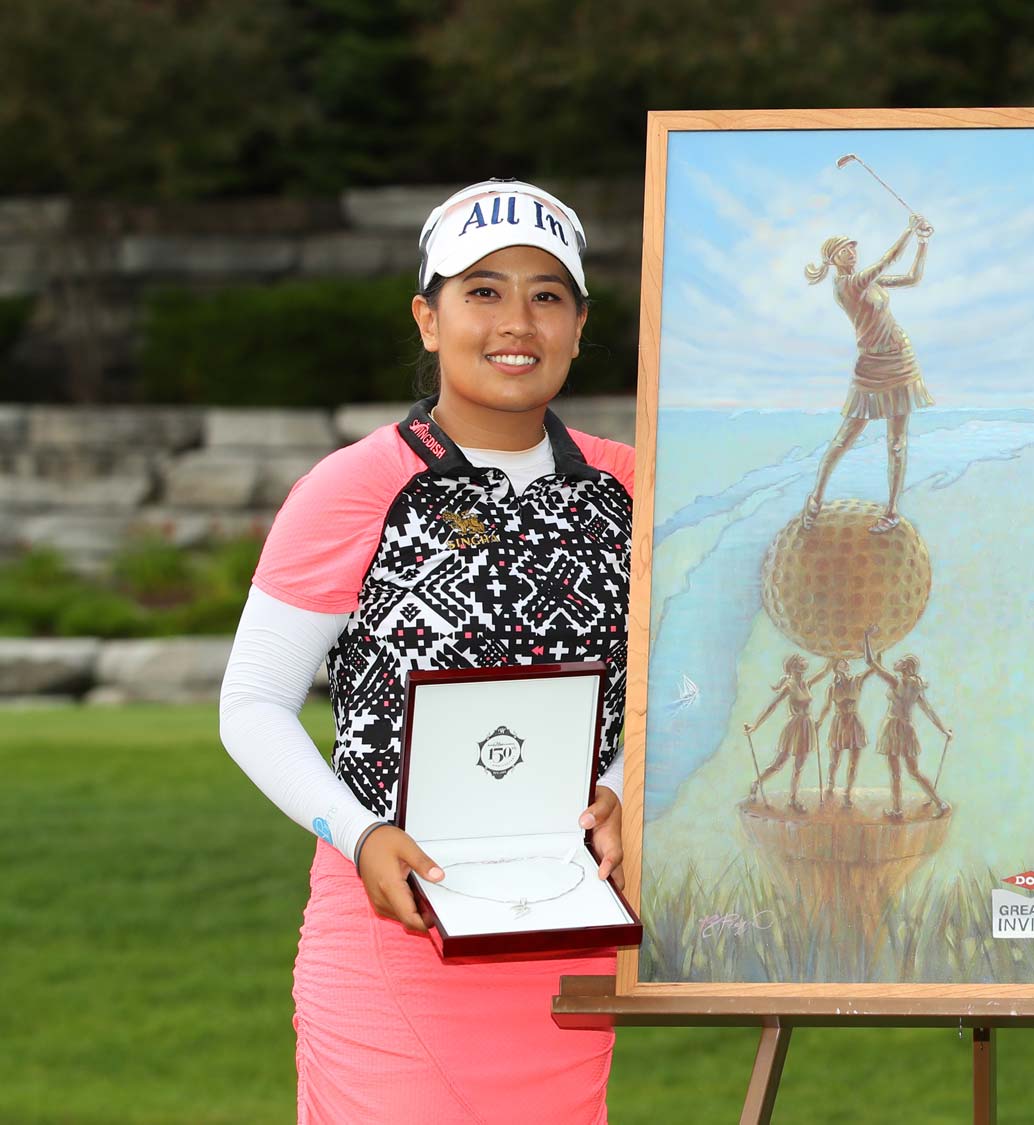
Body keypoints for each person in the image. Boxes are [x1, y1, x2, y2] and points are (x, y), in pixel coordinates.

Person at [219, 179, 635, 1123]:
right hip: (394, 920)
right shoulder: (355, 486)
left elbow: (678, 692)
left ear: (578, 324)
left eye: (546, 293)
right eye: (481, 291)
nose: (515, 320)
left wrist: (626, 788)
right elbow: (251, 702)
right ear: (428, 317)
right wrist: (354, 830)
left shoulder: (633, 487)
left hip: (562, 929)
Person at [800, 214, 936, 534]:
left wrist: (922, 242)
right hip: (872, 367)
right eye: (843, 251)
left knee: (898, 443)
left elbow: (913, 278)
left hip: (901, 361)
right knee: (846, 436)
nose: (851, 252)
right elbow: (887, 260)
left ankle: (891, 511)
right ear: (833, 260)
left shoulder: (867, 281)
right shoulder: (847, 284)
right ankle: (815, 498)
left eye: (852, 248)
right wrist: (908, 229)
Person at [862, 627, 951, 819]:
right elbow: (929, 711)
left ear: (906, 667)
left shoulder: (896, 683)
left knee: (896, 773)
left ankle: (897, 810)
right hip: (907, 729)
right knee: (914, 771)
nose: (897, 662)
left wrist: (866, 637)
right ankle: (940, 803)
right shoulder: (916, 686)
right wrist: (944, 730)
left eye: (901, 661)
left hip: (893, 727)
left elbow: (870, 662)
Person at [744, 653, 829, 812]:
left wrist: (835, 656)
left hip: (806, 725)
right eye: (800, 660)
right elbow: (772, 706)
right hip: (794, 726)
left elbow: (825, 671)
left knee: (799, 765)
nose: (805, 662)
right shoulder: (789, 686)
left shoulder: (806, 683)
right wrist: (755, 726)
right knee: (780, 762)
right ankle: (756, 783)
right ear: (793, 666)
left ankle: (793, 799)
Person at [815, 657, 869, 808]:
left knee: (853, 762)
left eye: (846, 661)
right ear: (835, 666)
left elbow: (873, 668)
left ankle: (847, 792)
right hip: (839, 723)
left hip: (854, 723)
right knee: (834, 760)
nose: (846, 663)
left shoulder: (857, 680)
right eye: (842, 661)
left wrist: (875, 651)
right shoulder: (832, 687)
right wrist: (819, 721)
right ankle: (830, 785)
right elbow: (827, 706)